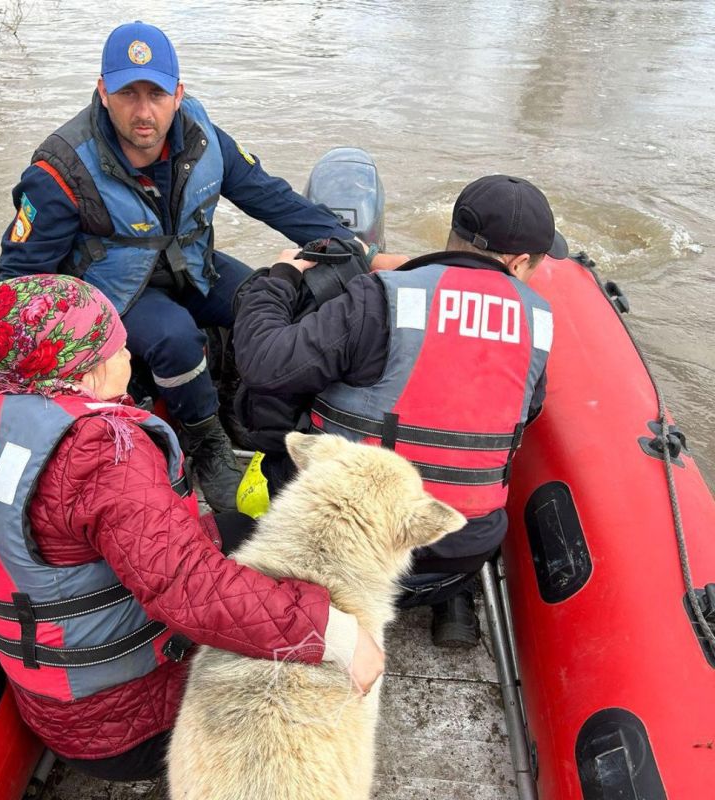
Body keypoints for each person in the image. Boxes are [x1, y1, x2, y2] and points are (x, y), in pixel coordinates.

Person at [0, 274, 383, 782]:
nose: (129, 359)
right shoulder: (98, 450)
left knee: (237, 528)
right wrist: (332, 633)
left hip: (55, 701)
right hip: (124, 724)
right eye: (119, 347)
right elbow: (187, 587)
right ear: (85, 368)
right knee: (310, 659)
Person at [0, 20, 370, 512]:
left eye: (157, 93)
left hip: (191, 267)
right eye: (129, 93)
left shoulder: (203, 138)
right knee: (174, 338)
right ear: (104, 91)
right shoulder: (61, 170)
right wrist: (58, 354)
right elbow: (17, 278)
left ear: (178, 93)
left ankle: (248, 406)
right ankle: (206, 441)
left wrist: (345, 243)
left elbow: (271, 198)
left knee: (267, 295)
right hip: (112, 287)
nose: (144, 111)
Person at [233, 175, 568, 647]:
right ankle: (456, 599)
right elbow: (524, 416)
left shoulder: (380, 297)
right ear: (517, 263)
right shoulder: (537, 320)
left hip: (343, 558)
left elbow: (264, 364)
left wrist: (279, 279)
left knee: (283, 404)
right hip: (458, 557)